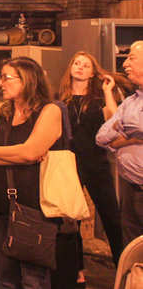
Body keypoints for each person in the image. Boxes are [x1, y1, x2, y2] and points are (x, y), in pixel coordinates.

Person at [0, 57, 63, 289]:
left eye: (6, 77)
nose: (0, 83)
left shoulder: (49, 111)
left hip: (32, 206)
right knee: (6, 280)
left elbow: (29, 153)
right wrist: (16, 154)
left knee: (33, 280)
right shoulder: (0, 111)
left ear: (27, 80)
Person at [59, 51, 124, 285]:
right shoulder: (62, 99)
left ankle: (124, 268)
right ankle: (77, 270)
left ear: (92, 72)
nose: (80, 68)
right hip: (70, 165)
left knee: (112, 217)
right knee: (71, 220)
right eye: (76, 63)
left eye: (85, 65)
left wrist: (108, 91)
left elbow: (115, 120)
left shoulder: (97, 100)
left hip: (96, 163)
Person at [96, 40, 143, 248]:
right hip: (129, 188)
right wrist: (131, 135)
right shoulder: (132, 101)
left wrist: (122, 130)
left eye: (131, 58)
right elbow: (102, 137)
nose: (125, 64)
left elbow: (137, 125)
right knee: (133, 251)